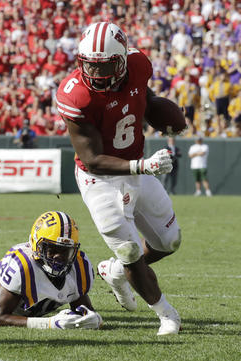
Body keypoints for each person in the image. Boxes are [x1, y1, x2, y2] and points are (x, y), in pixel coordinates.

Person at [55, 22, 181, 335]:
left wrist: (163, 115)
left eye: (106, 66)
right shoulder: (76, 95)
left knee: (169, 241)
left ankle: (114, 271)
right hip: (99, 179)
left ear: (122, 60)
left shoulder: (138, 65)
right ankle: (166, 314)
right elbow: (92, 159)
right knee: (129, 252)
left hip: (138, 167)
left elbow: (144, 99)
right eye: (90, 66)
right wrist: (143, 166)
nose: (97, 75)